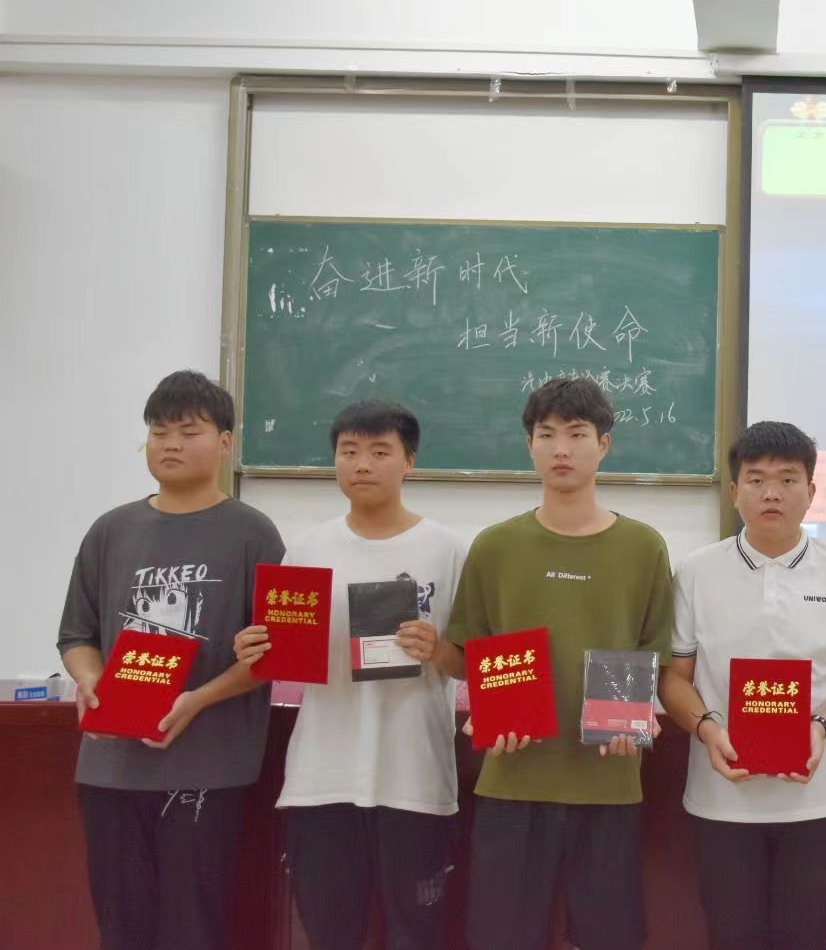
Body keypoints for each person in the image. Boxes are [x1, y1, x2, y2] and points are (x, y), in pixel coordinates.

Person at [443, 376, 674, 950]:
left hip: (608, 782)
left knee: (611, 937)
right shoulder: (495, 545)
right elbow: (469, 655)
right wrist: (484, 710)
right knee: (501, 937)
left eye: (577, 434)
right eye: (546, 435)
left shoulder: (644, 547)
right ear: (530, 445)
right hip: (513, 779)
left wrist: (642, 718)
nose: (561, 449)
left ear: (605, 444)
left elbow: (655, 657)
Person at [57, 369, 285, 950]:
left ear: (225, 443)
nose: (171, 445)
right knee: (121, 926)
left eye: (188, 431)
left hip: (209, 767)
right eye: (159, 432)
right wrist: (90, 681)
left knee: (194, 929)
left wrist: (199, 699)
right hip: (111, 767)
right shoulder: (111, 529)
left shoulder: (254, 534)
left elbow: (274, 653)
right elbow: (77, 635)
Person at [233, 400, 466, 950]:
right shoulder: (307, 549)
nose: (362, 463)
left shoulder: (449, 549)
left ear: (410, 461)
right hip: (322, 778)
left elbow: (472, 662)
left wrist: (436, 649)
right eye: (349, 451)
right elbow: (280, 655)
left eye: (380, 451)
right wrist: (254, 649)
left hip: (414, 776)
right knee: (329, 934)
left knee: (417, 935)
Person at [659, 420, 826, 950]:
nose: (772, 493)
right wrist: (707, 728)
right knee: (732, 936)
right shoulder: (696, 572)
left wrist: (820, 726)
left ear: (811, 491)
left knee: (806, 937)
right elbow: (674, 678)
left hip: (820, 798)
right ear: (734, 490)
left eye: (788, 480)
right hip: (722, 797)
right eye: (757, 479)